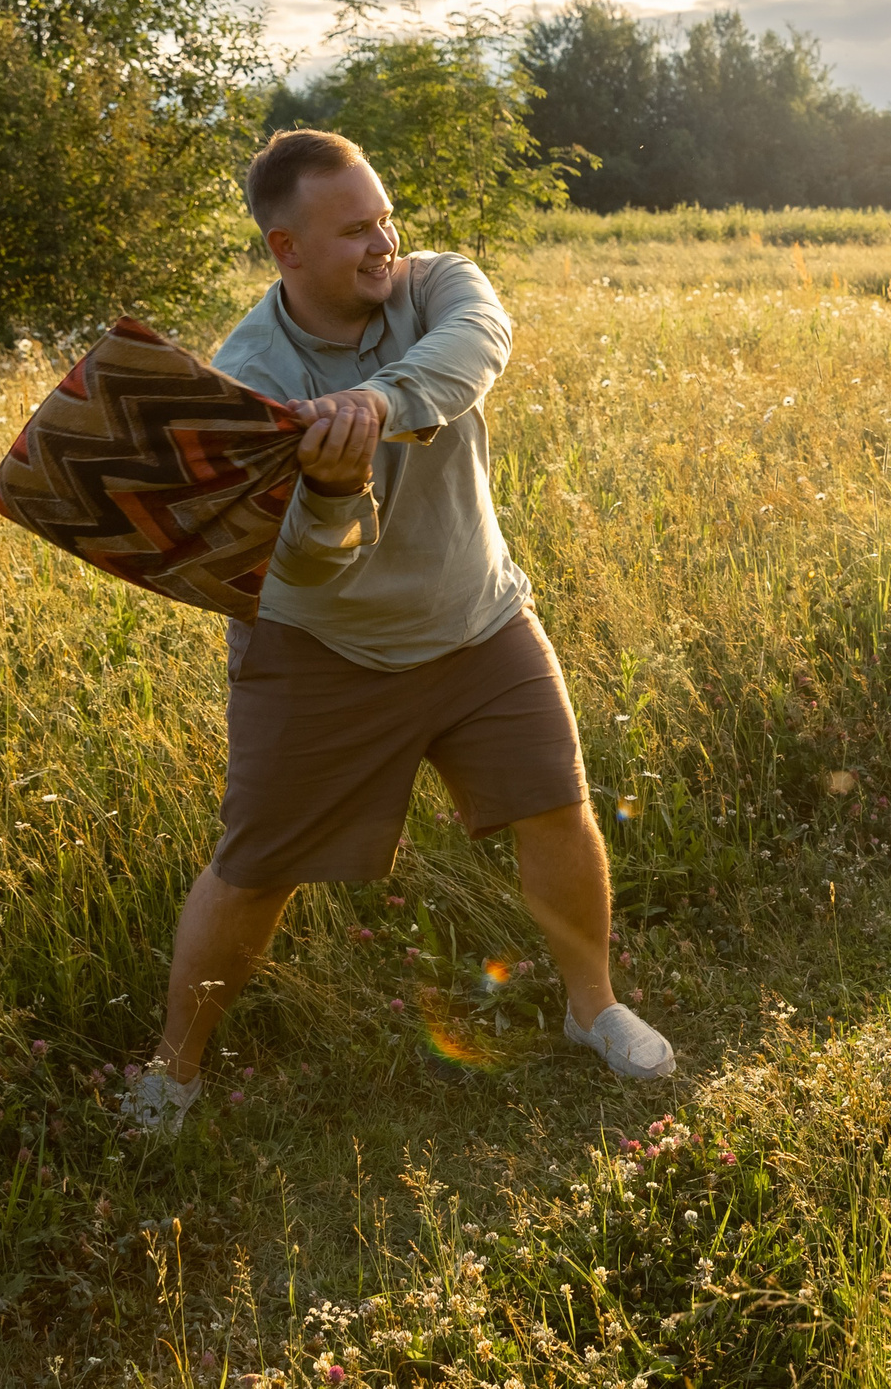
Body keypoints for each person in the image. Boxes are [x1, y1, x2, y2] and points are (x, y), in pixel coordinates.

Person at [124, 129, 673, 1133]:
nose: (384, 243)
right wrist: (331, 490)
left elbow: (477, 349)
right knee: (256, 866)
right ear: (287, 250)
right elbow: (301, 565)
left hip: (477, 615)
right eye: (354, 231)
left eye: (385, 218)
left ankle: (591, 1009)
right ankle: (173, 1070)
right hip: (319, 648)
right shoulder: (249, 378)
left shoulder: (433, 285)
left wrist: (376, 404)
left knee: (557, 807)